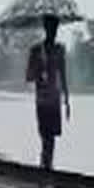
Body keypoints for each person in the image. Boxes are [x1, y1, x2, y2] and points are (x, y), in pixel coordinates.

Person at [25, 14, 70, 171]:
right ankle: (45, 163)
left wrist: (67, 100)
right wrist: (39, 70)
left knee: (52, 135)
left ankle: (47, 164)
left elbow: (63, 74)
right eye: (50, 28)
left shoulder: (59, 50)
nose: (53, 32)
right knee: (45, 133)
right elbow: (28, 77)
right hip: (42, 99)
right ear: (46, 29)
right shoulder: (36, 51)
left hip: (54, 98)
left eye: (55, 29)